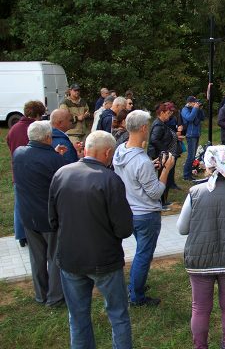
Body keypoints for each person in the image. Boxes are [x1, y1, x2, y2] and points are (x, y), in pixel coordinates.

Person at [49, 131, 134, 348]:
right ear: (107, 152)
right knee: (118, 315)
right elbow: (124, 228)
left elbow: (53, 219)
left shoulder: (61, 173)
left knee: (77, 317)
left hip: (70, 258)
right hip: (104, 259)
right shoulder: (110, 179)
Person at [177, 145, 225, 349]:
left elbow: (182, 229)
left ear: (208, 166)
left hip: (199, 259)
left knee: (200, 308)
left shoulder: (195, 192)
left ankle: (200, 346)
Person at [113, 110, 175, 306]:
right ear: (142, 128)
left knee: (141, 253)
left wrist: (152, 165)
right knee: (143, 255)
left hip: (128, 211)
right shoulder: (141, 161)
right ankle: (137, 296)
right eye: (147, 125)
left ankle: (135, 285)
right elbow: (156, 193)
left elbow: (134, 176)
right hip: (146, 215)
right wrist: (165, 170)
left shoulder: (120, 150)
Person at [13, 121, 66, 307]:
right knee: (54, 257)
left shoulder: (18, 154)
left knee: (36, 258)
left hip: (28, 215)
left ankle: (41, 295)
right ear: (47, 138)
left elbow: (37, 166)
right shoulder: (54, 159)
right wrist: (56, 156)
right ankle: (55, 297)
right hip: (49, 217)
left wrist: (53, 153)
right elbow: (60, 184)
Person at [6, 100, 46, 247]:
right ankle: (34, 233)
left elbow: (9, 144)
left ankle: (21, 235)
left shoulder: (14, 128)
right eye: (40, 115)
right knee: (33, 203)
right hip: (34, 173)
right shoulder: (35, 129)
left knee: (19, 203)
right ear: (37, 114)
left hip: (17, 172)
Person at [148, 102, 178, 208]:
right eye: (167, 113)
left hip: (161, 154)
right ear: (162, 113)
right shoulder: (158, 124)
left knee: (166, 177)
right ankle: (161, 202)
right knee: (163, 177)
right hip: (159, 155)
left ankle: (164, 200)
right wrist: (165, 150)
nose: (169, 115)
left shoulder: (162, 123)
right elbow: (154, 139)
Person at [181, 96, 206, 181]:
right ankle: (186, 175)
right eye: (194, 102)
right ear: (190, 102)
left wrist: (200, 109)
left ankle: (189, 173)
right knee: (190, 156)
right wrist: (195, 109)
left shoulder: (195, 109)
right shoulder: (185, 109)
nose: (196, 104)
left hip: (196, 134)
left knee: (193, 155)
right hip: (190, 135)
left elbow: (202, 118)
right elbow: (190, 118)